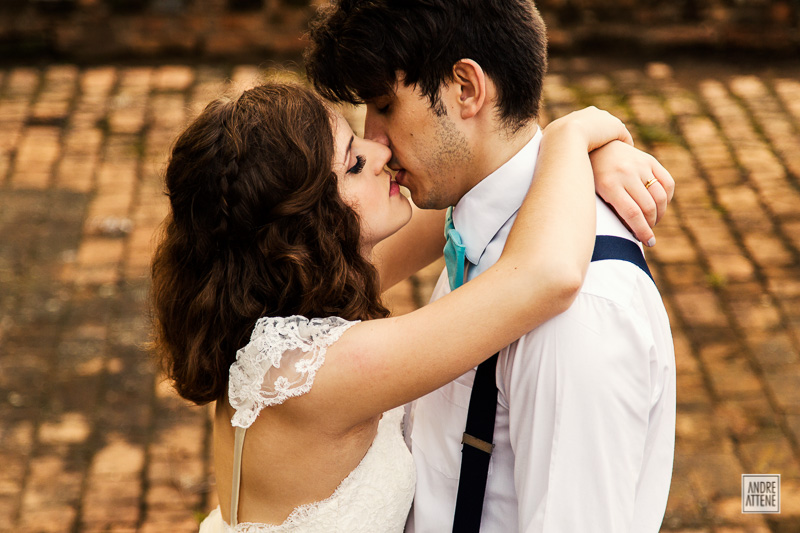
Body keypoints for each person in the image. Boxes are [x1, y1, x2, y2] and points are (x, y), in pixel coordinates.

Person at [150, 80, 657, 533]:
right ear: (306, 223)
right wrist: (575, 135)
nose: (379, 150)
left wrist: (582, 163)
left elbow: (485, 177)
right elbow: (546, 274)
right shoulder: (320, 372)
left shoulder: (276, 299)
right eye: (353, 163)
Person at [305, 1, 676, 531]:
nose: (376, 142)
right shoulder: (476, 217)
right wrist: (573, 140)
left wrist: (575, 142)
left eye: (385, 105)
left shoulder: (579, 316)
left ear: (466, 89)